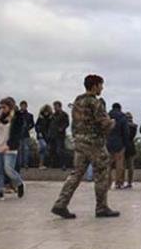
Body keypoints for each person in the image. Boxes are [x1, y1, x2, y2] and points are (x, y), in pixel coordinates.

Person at [51, 74, 119, 219]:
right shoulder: (95, 103)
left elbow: (74, 123)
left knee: (76, 174)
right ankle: (101, 207)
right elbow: (104, 123)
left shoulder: (78, 100)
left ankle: (61, 203)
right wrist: (112, 122)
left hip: (80, 142)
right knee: (101, 174)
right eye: (101, 85)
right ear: (94, 86)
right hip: (95, 143)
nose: (102, 88)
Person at [0, 97, 25, 200]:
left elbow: (18, 133)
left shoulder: (17, 117)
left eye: (4, 107)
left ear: (10, 106)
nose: (2, 109)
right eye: (1, 107)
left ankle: (19, 183)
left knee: (8, 169)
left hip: (10, 147)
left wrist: (10, 144)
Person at [107, 102, 130, 190]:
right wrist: (125, 143)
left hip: (108, 142)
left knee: (108, 165)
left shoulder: (107, 116)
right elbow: (126, 132)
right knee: (119, 164)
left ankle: (108, 183)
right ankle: (118, 183)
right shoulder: (122, 117)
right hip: (119, 142)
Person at [48, 101, 70, 169]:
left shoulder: (64, 114)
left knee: (60, 150)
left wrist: (61, 128)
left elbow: (67, 123)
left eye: (56, 106)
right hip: (52, 135)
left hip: (60, 135)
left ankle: (63, 164)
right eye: (54, 106)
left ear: (59, 106)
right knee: (52, 150)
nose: (55, 108)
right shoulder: (53, 115)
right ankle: (53, 165)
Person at [16, 101, 35, 169]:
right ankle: (19, 163)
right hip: (18, 134)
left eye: (24, 105)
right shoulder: (17, 114)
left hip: (26, 134)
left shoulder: (30, 115)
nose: (23, 107)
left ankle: (26, 164)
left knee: (26, 149)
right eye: (22, 105)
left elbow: (32, 124)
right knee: (19, 149)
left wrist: (28, 128)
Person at [124, 112, 138, 188]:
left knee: (122, 166)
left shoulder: (124, 126)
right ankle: (130, 182)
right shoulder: (134, 126)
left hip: (124, 146)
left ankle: (120, 181)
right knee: (131, 166)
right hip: (131, 147)